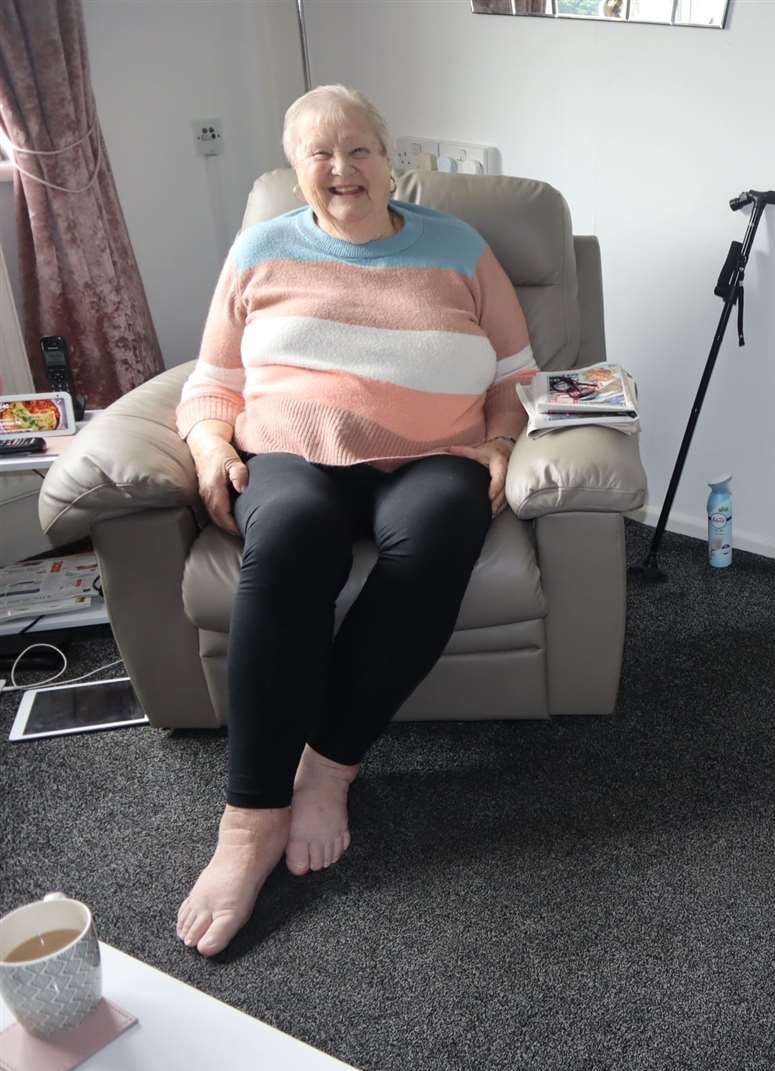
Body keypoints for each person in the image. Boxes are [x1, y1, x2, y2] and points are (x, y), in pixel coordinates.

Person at [173, 85, 536, 957]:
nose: (342, 169)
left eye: (359, 149)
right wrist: (209, 445)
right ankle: (250, 820)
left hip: (433, 451)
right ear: (294, 169)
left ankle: (329, 765)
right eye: (320, 154)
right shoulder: (260, 248)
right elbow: (210, 381)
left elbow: (517, 376)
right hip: (293, 448)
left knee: (445, 529)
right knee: (293, 537)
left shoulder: (460, 247)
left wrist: (497, 442)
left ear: (389, 156)